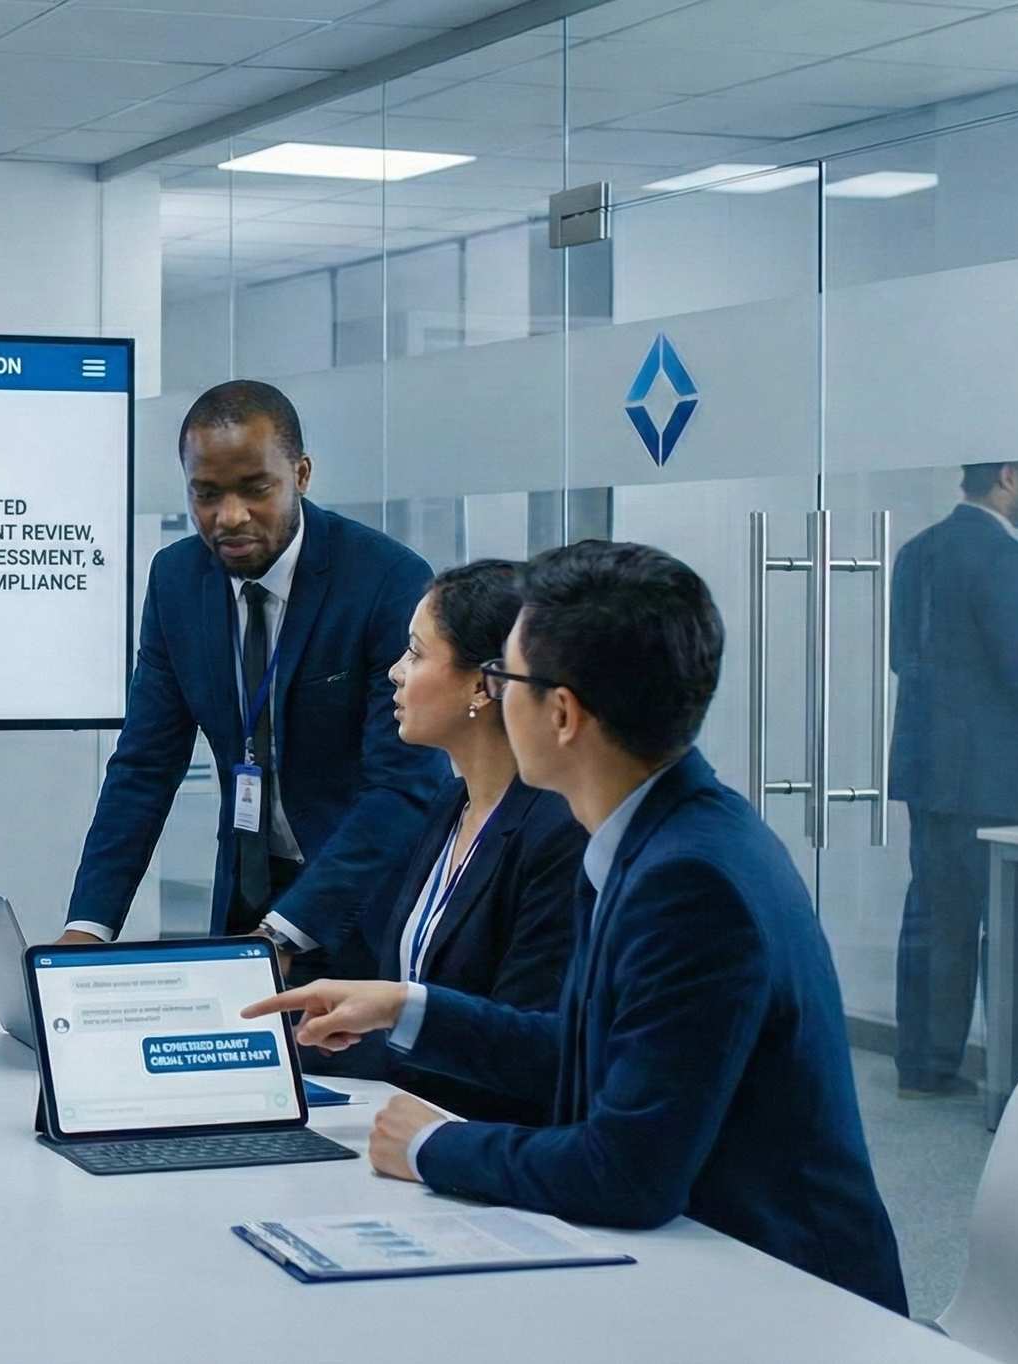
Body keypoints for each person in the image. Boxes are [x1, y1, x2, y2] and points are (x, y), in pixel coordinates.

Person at [243, 540, 908, 1314]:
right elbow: (588, 1051)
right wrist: (405, 1007)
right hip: (691, 1260)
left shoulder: (688, 882)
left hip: (783, 1294)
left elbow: (629, 1172)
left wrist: (430, 1146)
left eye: (509, 678)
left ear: (561, 714)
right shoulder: (658, 832)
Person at [60, 380, 445, 979]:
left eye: (255, 489)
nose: (229, 517)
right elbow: (144, 765)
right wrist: (88, 926)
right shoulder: (176, 580)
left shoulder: (383, 579)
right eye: (206, 494)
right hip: (245, 898)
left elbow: (403, 789)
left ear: (302, 474)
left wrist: (282, 935)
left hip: (360, 908)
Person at [336, 558, 583, 1123]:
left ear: (485, 682)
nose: (397, 673)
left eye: (416, 654)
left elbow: (524, 1052)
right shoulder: (452, 803)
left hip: (493, 1146)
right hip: (412, 1119)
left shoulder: (559, 831)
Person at [889, 460, 1018, 1098]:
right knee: (1016, 932)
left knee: (937, 923)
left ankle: (924, 1070)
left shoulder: (915, 552)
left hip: (934, 773)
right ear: (1010, 477)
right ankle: (1013, 1077)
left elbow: (906, 658)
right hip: (1004, 784)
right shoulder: (1006, 558)